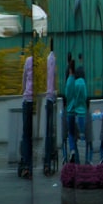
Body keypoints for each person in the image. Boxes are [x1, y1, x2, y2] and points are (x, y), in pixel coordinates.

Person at [43, 40, 57, 176]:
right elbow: (54, 79)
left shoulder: (47, 60)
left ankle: (47, 161)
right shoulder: (53, 60)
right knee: (50, 131)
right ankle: (48, 160)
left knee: (48, 131)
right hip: (51, 98)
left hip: (48, 97)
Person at [20, 51, 34, 179]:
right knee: (30, 136)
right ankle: (29, 166)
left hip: (27, 99)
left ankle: (26, 166)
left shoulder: (28, 60)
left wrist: (23, 91)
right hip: (36, 100)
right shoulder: (42, 62)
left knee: (26, 135)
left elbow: (24, 78)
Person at [73, 63, 88, 163]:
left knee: (76, 140)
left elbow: (73, 98)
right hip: (84, 113)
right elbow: (86, 96)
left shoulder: (74, 83)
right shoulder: (83, 83)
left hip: (76, 114)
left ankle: (77, 160)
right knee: (86, 139)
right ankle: (86, 160)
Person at [64, 54, 78, 163]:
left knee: (70, 134)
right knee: (74, 134)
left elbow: (66, 95)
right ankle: (75, 155)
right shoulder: (76, 81)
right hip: (76, 111)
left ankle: (72, 150)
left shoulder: (68, 81)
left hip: (69, 111)